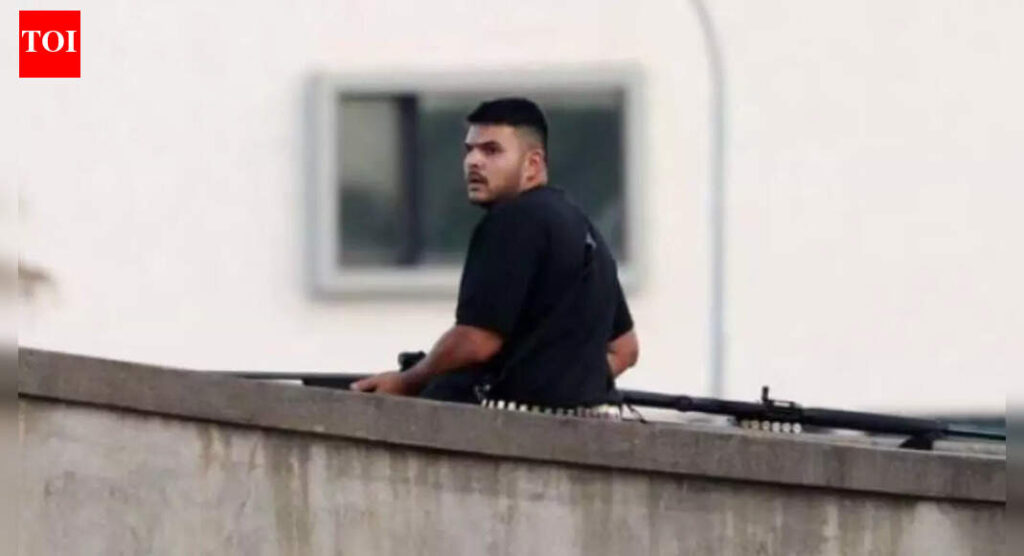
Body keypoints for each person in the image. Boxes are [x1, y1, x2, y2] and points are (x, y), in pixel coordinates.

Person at [351, 98, 638, 414]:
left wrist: (408, 381)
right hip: (594, 426)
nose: (474, 162)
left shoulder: (513, 220)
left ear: (532, 163)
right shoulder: (583, 227)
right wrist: (568, 388)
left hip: (517, 428)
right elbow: (624, 350)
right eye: (469, 150)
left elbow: (477, 341)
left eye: (491, 151)